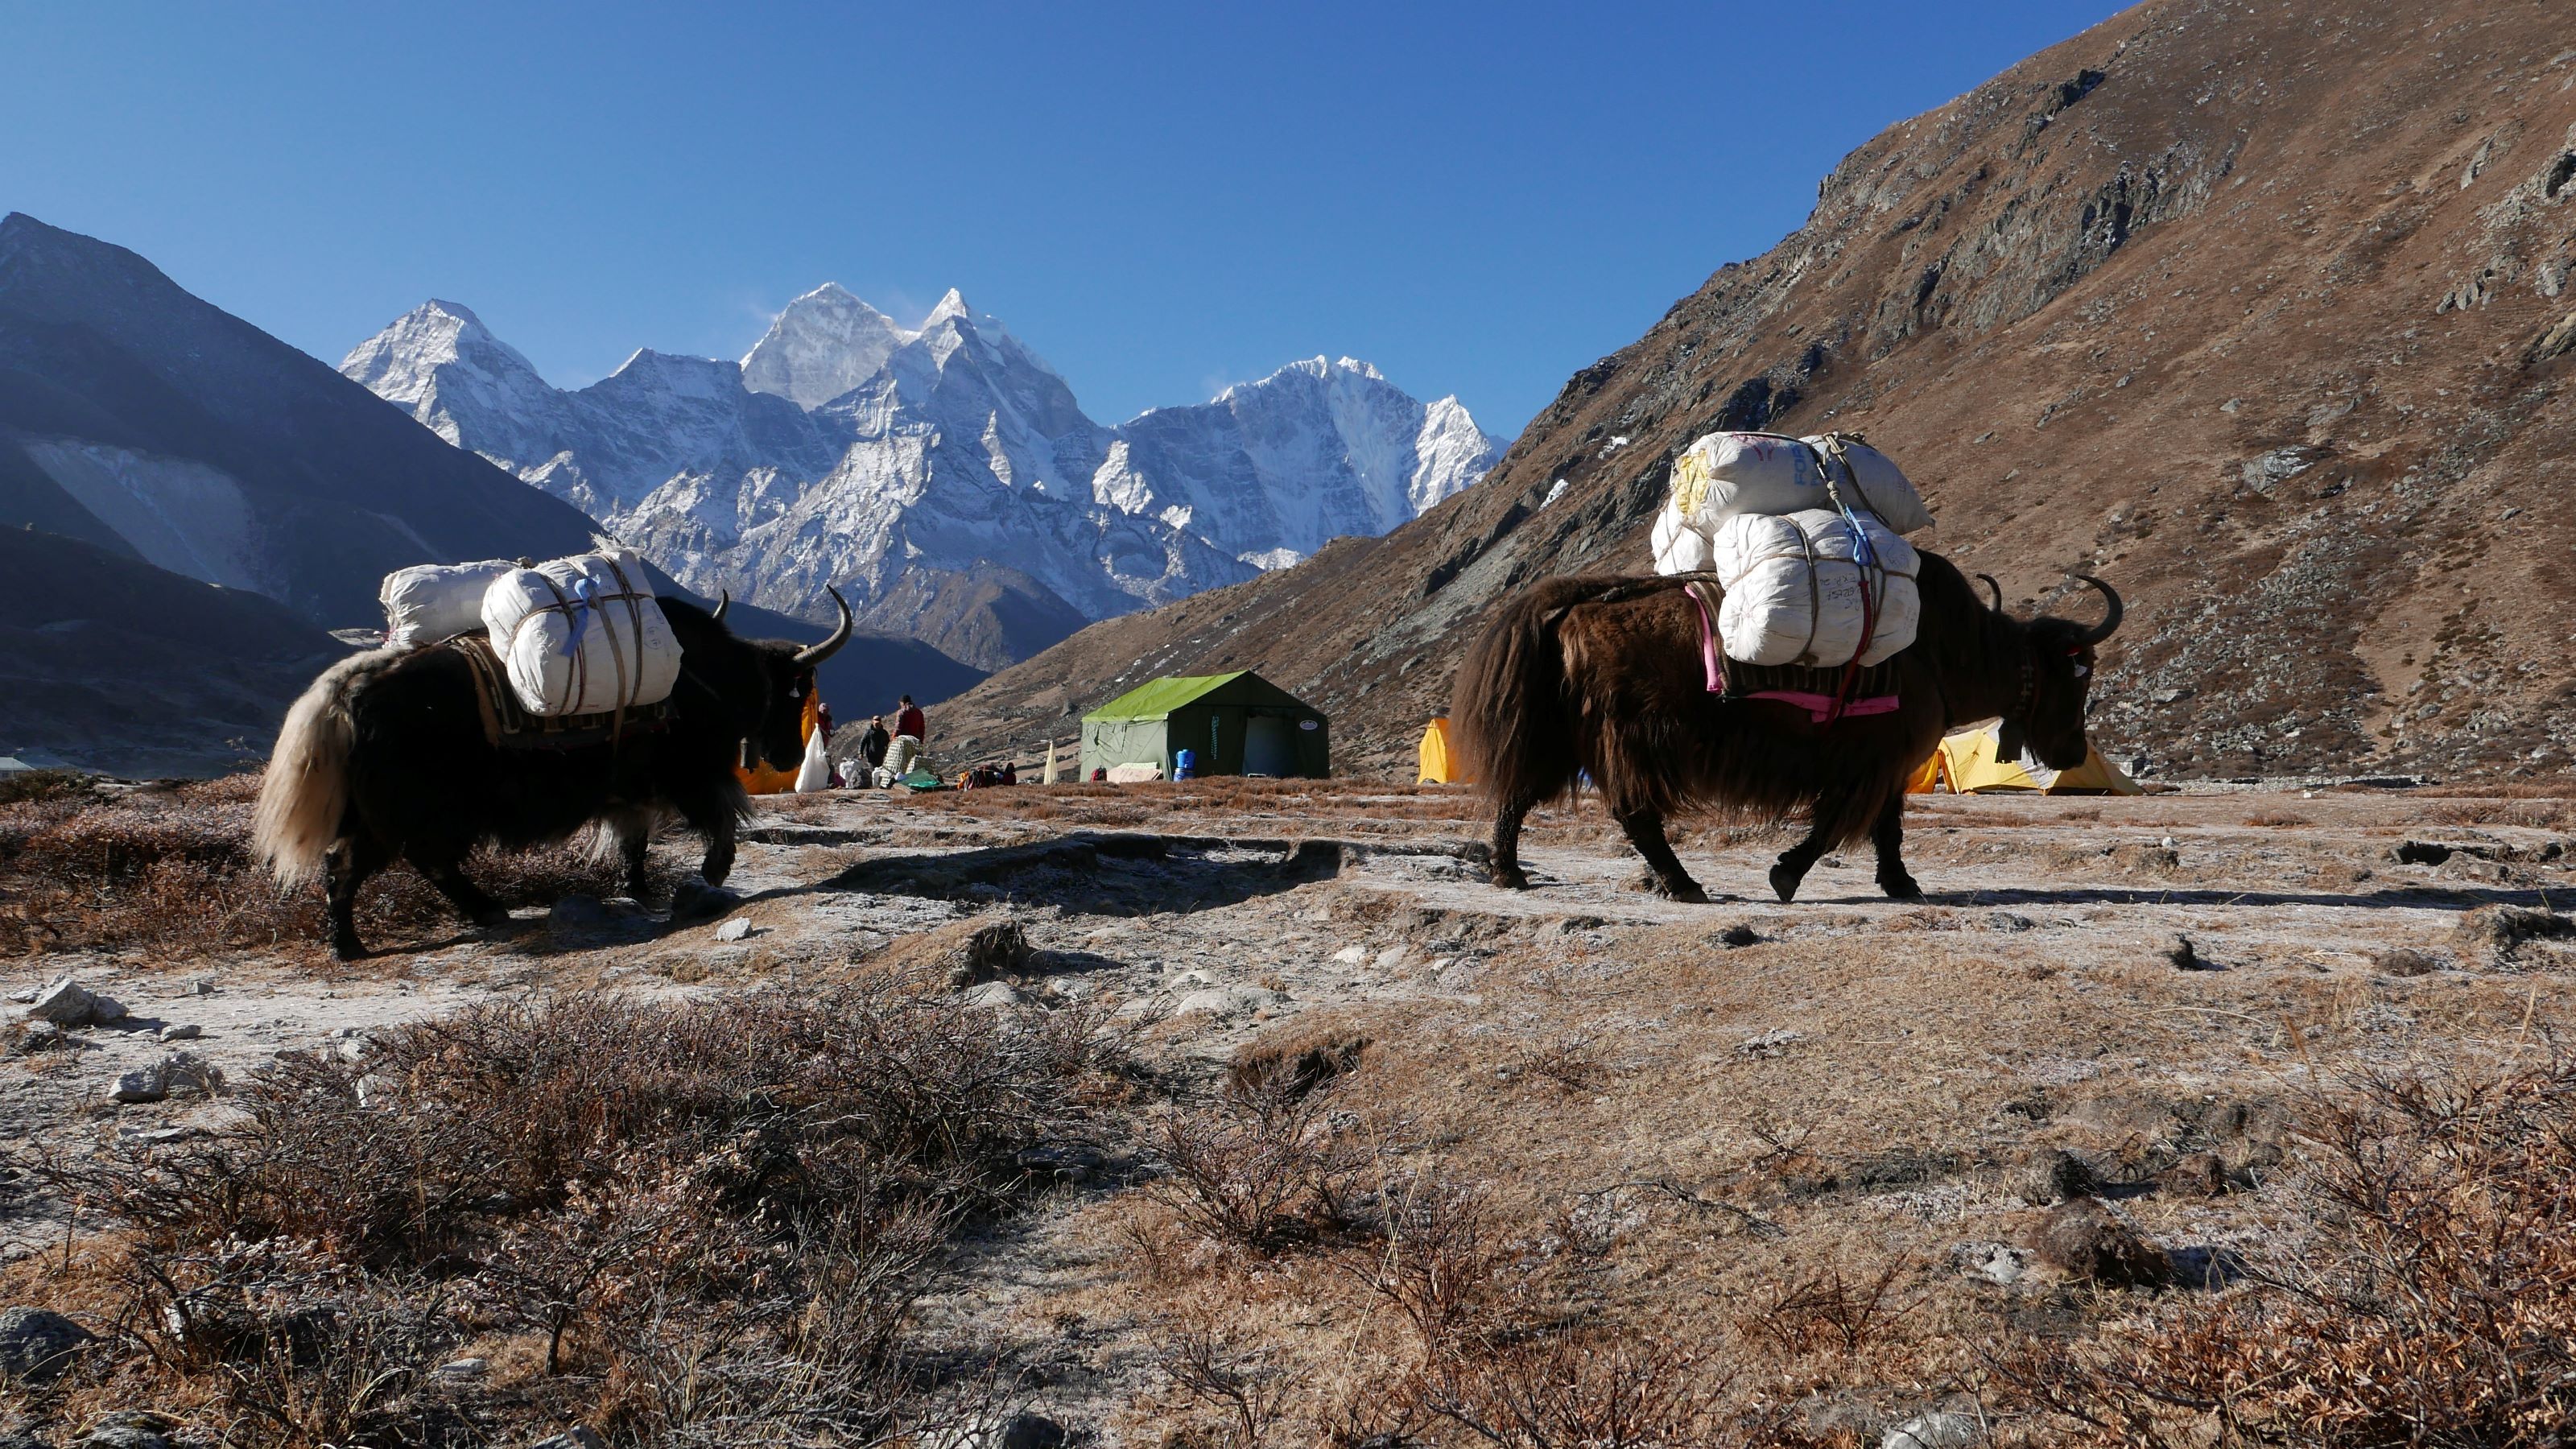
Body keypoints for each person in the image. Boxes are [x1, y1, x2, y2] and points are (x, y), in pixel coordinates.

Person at [885, 694, 927, 783]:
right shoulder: (919, 712)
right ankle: (915, 780)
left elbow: (898, 727)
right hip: (916, 742)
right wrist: (921, 740)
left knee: (901, 764)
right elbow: (922, 728)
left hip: (903, 743)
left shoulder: (902, 712)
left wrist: (893, 738)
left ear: (903, 703)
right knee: (914, 763)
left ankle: (896, 781)